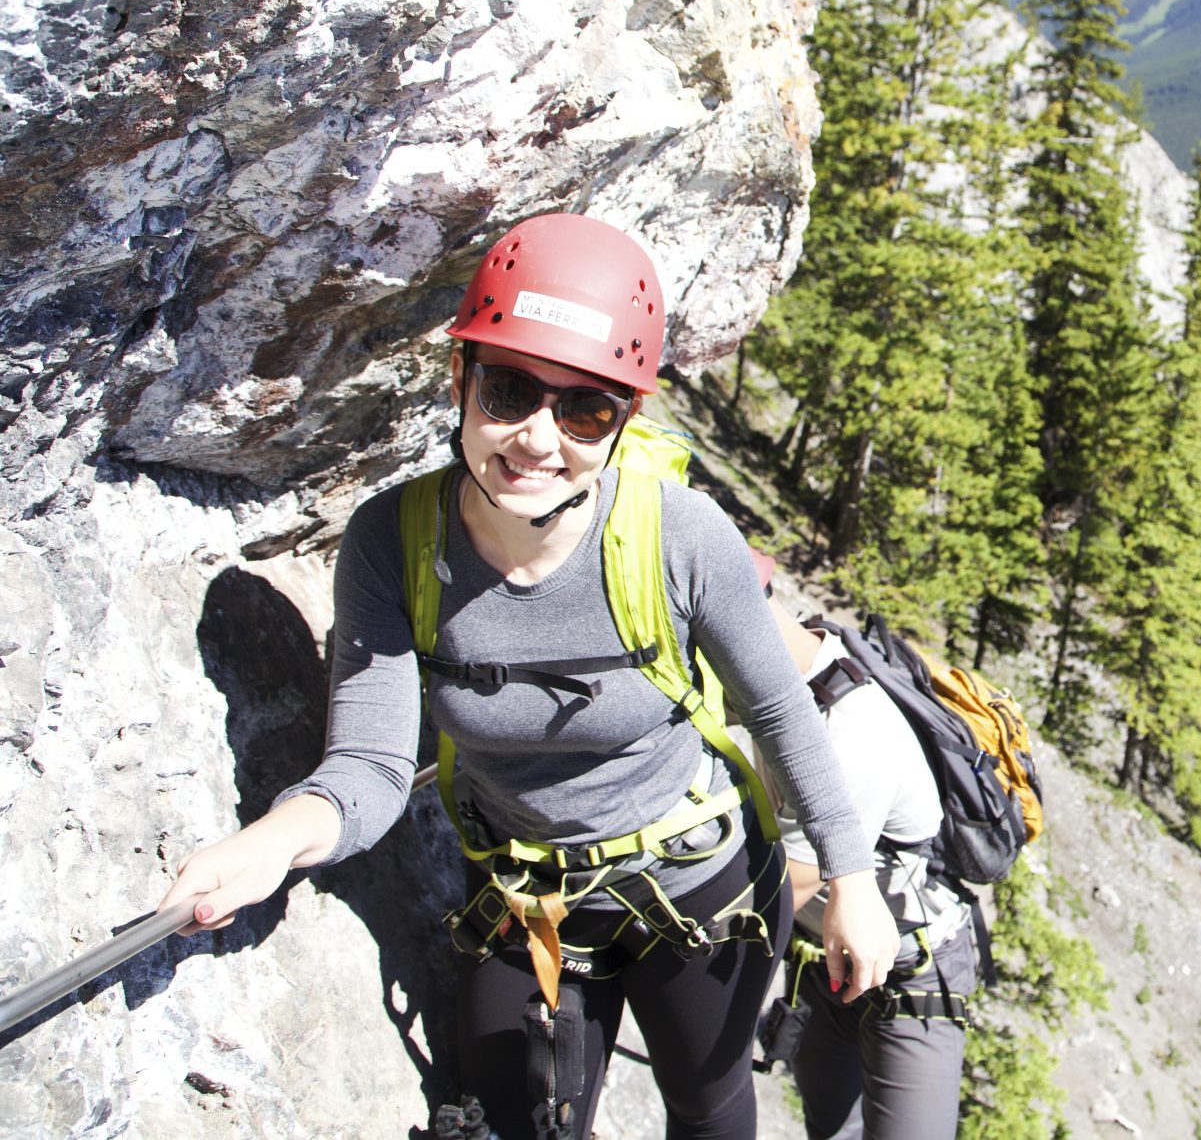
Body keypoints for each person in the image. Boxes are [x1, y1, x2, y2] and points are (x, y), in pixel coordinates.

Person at [159, 213, 898, 1140]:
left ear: (625, 421)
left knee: (709, 1112)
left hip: (697, 885)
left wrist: (853, 881)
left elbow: (783, 714)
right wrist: (269, 845)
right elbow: (372, 768)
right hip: (526, 896)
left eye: (584, 409)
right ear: (460, 381)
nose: (539, 439)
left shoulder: (680, 537)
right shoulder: (394, 544)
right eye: (509, 391)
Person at [757, 584, 976, 1140]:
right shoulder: (783, 687)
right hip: (831, 962)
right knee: (831, 1129)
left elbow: (772, 899)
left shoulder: (849, 734)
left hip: (912, 971)